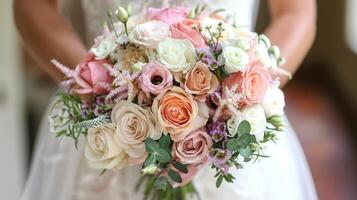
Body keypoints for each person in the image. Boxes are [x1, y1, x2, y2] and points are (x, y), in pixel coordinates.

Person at [14, 0, 318, 199]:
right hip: (105, 124)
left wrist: (243, 95)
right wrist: (103, 92)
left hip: (235, 129)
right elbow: (32, 6)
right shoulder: (106, 101)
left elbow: (297, 11)